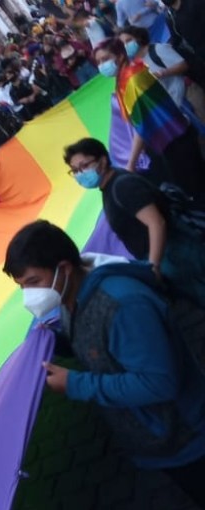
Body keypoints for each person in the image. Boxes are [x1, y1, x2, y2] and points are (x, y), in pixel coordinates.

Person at [3, 220, 205, 509]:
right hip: (164, 439)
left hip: (188, 440)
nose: (29, 295)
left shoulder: (125, 305)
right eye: (22, 286)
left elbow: (158, 382)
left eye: (34, 282)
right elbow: (99, 344)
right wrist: (58, 343)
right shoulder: (70, 295)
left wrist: (75, 383)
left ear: (65, 268)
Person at [64, 137, 205, 305]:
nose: (81, 174)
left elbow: (156, 223)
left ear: (102, 161)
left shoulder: (122, 187)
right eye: (75, 171)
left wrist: (154, 267)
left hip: (179, 256)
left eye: (84, 166)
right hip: (173, 257)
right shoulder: (111, 186)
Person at [94, 38, 204, 198]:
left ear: (120, 56)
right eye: (98, 62)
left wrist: (131, 163)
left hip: (176, 141)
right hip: (173, 139)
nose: (102, 65)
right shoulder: (125, 78)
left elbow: (143, 124)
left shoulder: (133, 79)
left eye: (105, 59)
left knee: (196, 192)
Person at [118, 26, 189, 108]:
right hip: (172, 106)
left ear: (138, 38)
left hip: (186, 96)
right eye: (122, 45)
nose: (126, 45)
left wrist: (162, 73)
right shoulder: (134, 66)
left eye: (129, 40)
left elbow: (183, 65)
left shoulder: (157, 49)